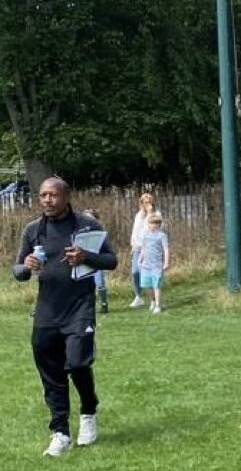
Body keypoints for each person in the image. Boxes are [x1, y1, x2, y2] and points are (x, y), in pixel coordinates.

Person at [11, 177, 117, 456]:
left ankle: (88, 412)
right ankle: (60, 432)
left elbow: (111, 260)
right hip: (47, 310)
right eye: (43, 195)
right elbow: (18, 271)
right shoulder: (33, 230)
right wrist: (27, 266)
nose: (47, 200)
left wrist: (86, 257)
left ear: (66, 197)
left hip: (79, 307)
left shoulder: (87, 225)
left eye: (53, 195)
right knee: (51, 373)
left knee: (78, 363)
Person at [128, 192, 159, 308]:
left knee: (147, 273)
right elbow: (135, 230)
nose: (147, 204)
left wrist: (150, 213)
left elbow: (149, 230)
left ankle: (154, 299)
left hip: (149, 248)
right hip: (137, 248)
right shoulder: (138, 215)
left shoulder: (156, 215)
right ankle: (138, 296)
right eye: (145, 202)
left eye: (149, 202)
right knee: (135, 272)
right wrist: (133, 243)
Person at [139, 212, 170, 314]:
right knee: (147, 285)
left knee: (156, 286)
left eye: (155, 223)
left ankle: (158, 305)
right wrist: (140, 259)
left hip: (157, 266)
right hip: (146, 266)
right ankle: (152, 301)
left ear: (159, 225)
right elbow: (143, 248)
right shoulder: (145, 235)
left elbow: (166, 249)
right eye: (151, 223)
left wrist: (166, 262)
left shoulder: (162, 236)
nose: (153, 225)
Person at [83, 209, 109, 314]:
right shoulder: (80, 232)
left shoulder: (100, 233)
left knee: (100, 283)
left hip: (97, 261)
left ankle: (104, 303)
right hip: (84, 262)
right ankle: (88, 306)